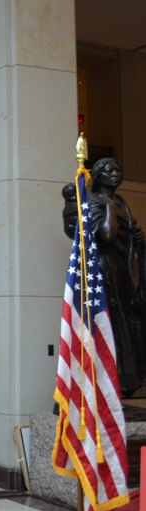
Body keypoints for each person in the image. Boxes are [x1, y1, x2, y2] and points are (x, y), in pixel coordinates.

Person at [84, 158, 146, 397]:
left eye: (118, 169)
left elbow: (124, 233)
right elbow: (107, 234)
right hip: (104, 268)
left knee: (127, 321)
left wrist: (136, 239)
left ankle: (127, 379)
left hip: (123, 267)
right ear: (98, 176)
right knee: (112, 321)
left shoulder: (121, 201)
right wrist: (108, 205)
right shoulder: (95, 201)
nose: (115, 174)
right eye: (109, 170)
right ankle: (109, 381)